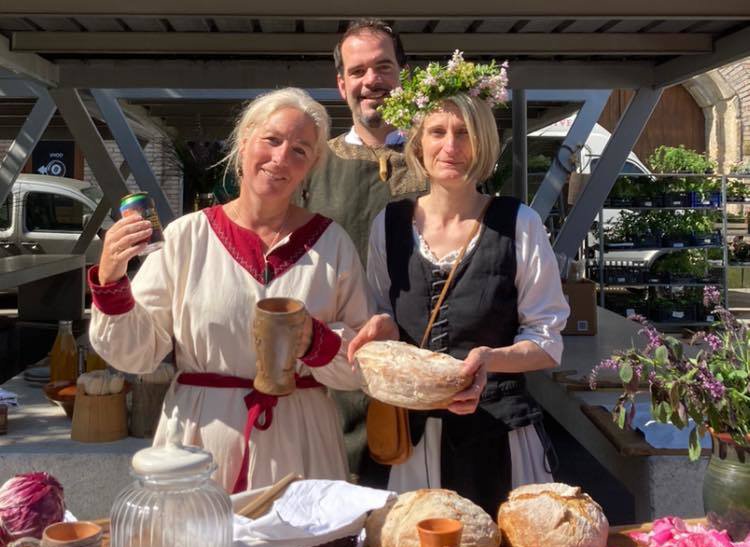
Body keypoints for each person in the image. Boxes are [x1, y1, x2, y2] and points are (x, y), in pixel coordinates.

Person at [88, 88, 373, 494]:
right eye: (272, 140)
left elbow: (362, 362)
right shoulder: (188, 236)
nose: (280, 159)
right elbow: (135, 353)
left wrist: (315, 342)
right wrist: (112, 280)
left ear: (311, 166)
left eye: (300, 150)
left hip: (302, 443)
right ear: (243, 144)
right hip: (199, 444)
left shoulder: (333, 243)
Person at [349, 52, 570, 515]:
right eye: (438, 131)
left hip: (498, 438)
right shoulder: (387, 225)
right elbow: (382, 313)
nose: (451, 146)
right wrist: (383, 329)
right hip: (407, 443)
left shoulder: (519, 224)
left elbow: (547, 341)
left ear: (484, 142)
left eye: (464, 133)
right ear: (418, 142)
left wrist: (491, 358)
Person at [300, 18, 427, 484]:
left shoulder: (440, 155)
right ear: (341, 84)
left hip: (426, 371)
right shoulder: (312, 165)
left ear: (404, 74)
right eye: (357, 71)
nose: (371, 81)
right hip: (336, 371)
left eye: (383, 67)